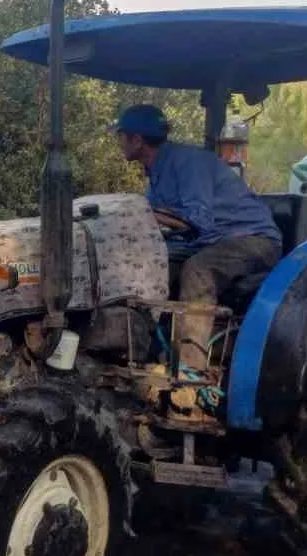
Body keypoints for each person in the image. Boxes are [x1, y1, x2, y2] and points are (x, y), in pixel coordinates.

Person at [112, 104, 283, 400]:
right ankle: (144, 357)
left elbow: (197, 220)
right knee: (149, 266)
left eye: (121, 136)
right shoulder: (156, 171)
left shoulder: (188, 163)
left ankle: (189, 380)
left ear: (137, 140)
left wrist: (143, 213)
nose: (119, 143)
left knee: (198, 271)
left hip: (252, 240)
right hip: (211, 242)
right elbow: (166, 225)